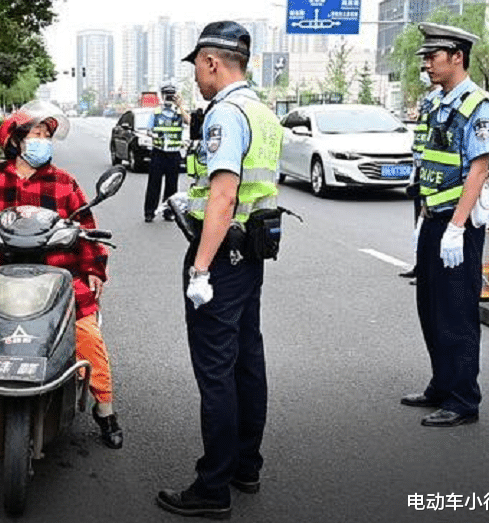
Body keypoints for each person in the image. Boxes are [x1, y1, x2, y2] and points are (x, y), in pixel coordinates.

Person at [0, 100, 123, 449]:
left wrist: (94, 268)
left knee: (87, 336)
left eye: (46, 135)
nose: (43, 141)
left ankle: (105, 410)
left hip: (60, 278)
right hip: (5, 281)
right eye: (36, 134)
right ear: (15, 141)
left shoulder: (64, 183)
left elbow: (86, 225)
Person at [156, 21, 283, 519]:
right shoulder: (262, 112)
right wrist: (190, 199)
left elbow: (227, 194)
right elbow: (243, 190)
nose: (195, 78)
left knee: (216, 371)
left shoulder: (224, 115)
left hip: (223, 261)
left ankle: (213, 487)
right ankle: (245, 465)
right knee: (247, 359)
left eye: (197, 68)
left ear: (212, 62)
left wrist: (200, 270)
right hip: (251, 255)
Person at [400, 23, 489, 427]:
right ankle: (441, 385)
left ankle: (463, 399)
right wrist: (424, 219)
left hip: (458, 227)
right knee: (431, 308)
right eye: (425, 57)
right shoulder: (434, 103)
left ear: (457, 56)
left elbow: (477, 170)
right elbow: (427, 166)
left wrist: (457, 226)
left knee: (456, 312)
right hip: (434, 221)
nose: (426, 64)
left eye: (433, 57)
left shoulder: (478, 105)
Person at [400, 67, 441, 282]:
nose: (425, 72)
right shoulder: (430, 100)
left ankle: (426, 270)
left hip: (430, 170)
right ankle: (420, 265)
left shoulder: (439, 101)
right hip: (420, 167)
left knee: (427, 221)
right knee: (419, 220)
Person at [144, 83, 189, 222]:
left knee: (172, 186)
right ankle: (149, 212)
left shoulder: (179, 112)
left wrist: (181, 105)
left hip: (174, 154)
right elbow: (149, 130)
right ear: (162, 96)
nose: (169, 97)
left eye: (172, 94)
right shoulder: (156, 113)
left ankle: (169, 212)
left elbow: (189, 122)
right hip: (158, 153)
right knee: (153, 184)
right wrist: (154, 136)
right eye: (167, 94)